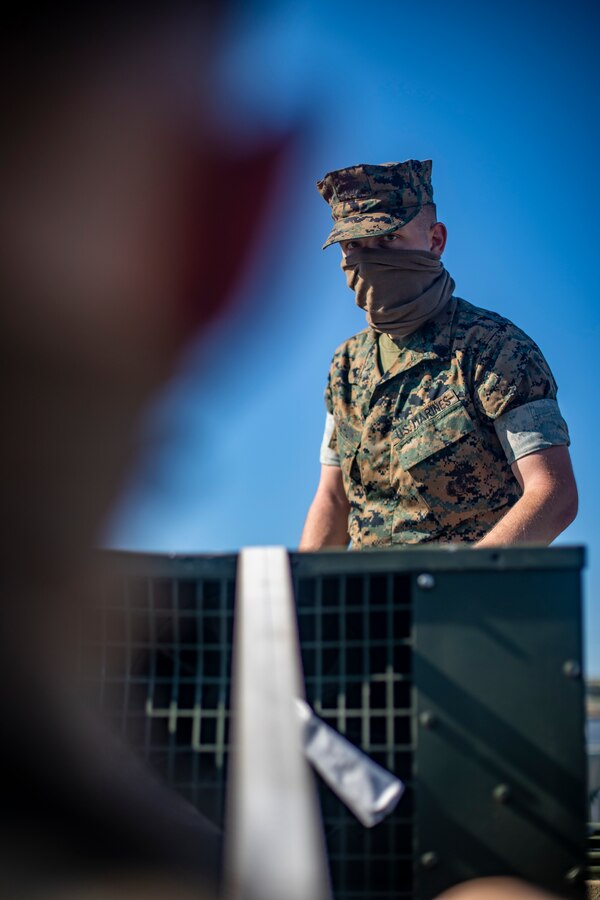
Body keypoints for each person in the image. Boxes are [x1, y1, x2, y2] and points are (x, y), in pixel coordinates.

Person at [300, 160, 577, 550]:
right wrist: (300, 586)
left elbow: (553, 494)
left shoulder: (494, 349)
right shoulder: (346, 367)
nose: (369, 259)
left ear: (435, 240)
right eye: (353, 246)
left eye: (387, 239)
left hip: (472, 587)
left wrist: (465, 578)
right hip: (370, 589)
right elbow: (333, 499)